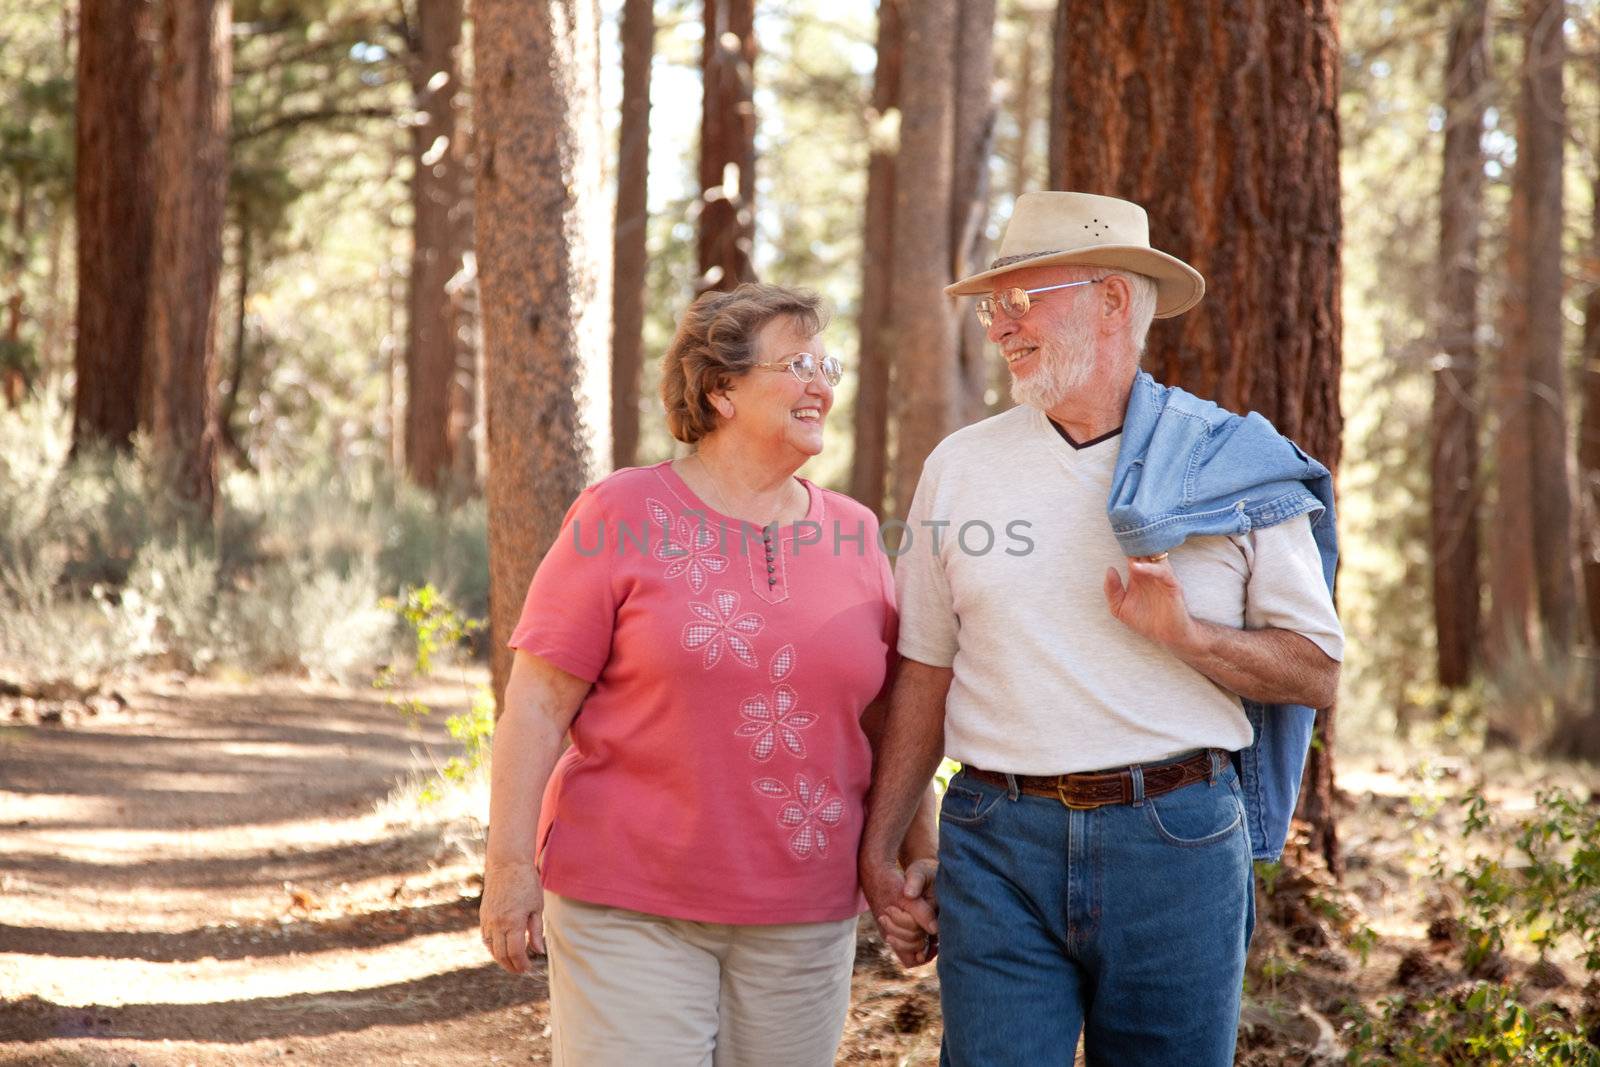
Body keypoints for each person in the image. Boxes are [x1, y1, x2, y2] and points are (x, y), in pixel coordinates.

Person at [858, 191, 1345, 1066]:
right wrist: (883, 840)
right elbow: (925, 669)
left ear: (1113, 299)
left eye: (1022, 299)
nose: (999, 325)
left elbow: (1316, 671)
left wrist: (1191, 637)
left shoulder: (1228, 464)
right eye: (991, 305)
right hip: (995, 840)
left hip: (1177, 841)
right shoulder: (959, 468)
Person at [479, 282, 937, 1066]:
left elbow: (890, 723)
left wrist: (912, 860)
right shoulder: (619, 513)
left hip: (805, 907)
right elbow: (536, 703)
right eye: (796, 364)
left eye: (827, 363)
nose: (821, 383)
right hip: (630, 901)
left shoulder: (857, 532)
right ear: (721, 389)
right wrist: (510, 864)